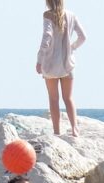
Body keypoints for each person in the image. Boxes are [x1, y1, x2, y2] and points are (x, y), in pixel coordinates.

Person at [35, 0, 86, 137]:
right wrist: (72, 48)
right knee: (68, 98)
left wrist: (39, 59)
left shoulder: (48, 15)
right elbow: (83, 37)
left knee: (53, 99)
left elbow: (47, 37)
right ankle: (74, 128)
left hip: (51, 64)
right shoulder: (71, 15)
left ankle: (57, 131)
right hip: (67, 64)